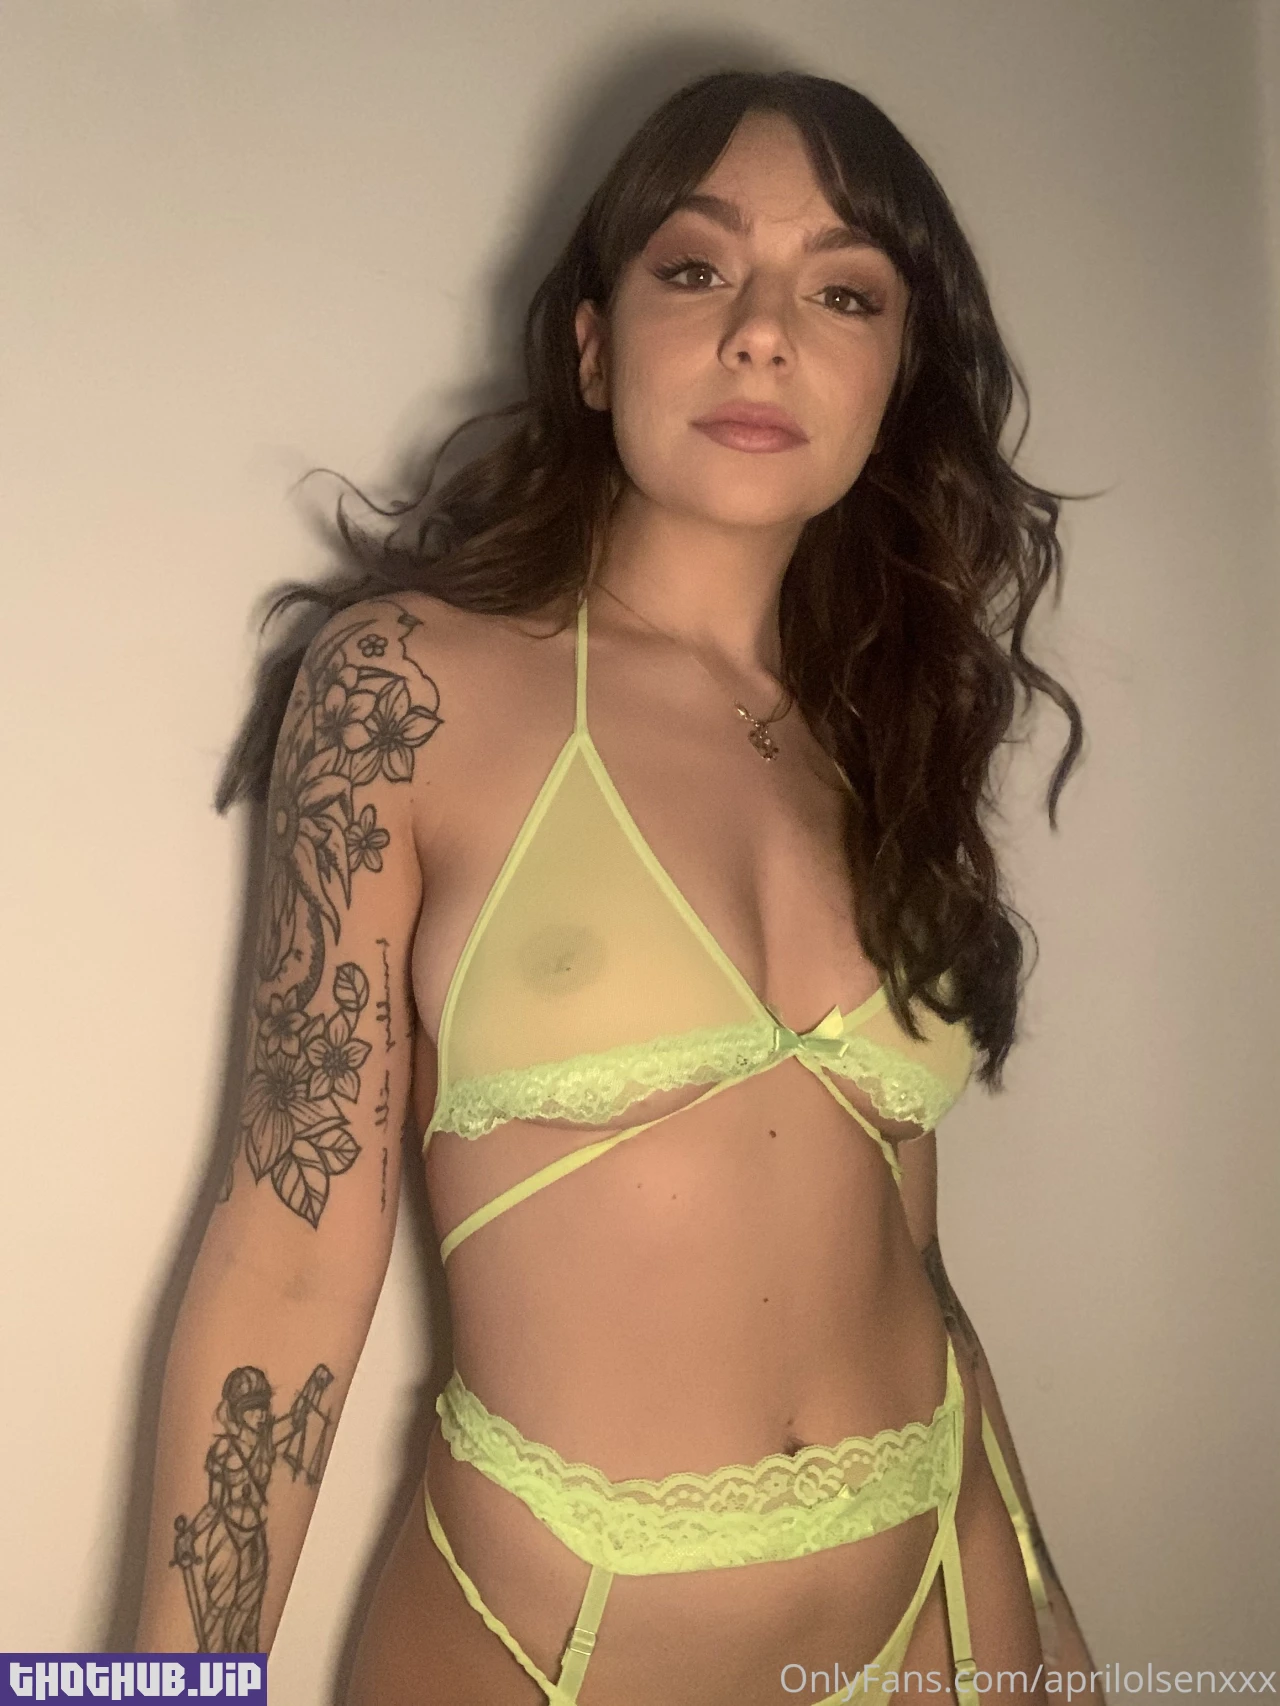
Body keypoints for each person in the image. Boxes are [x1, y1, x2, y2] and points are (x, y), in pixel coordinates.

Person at [134, 67, 1101, 1704]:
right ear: (594, 347)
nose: (763, 333)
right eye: (697, 267)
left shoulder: (881, 738)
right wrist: (150, 1692)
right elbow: (284, 1260)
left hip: (935, 1605)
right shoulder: (405, 690)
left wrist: (1052, 1638)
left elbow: (907, 1250)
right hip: (543, 1641)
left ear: (894, 380)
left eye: (844, 293)